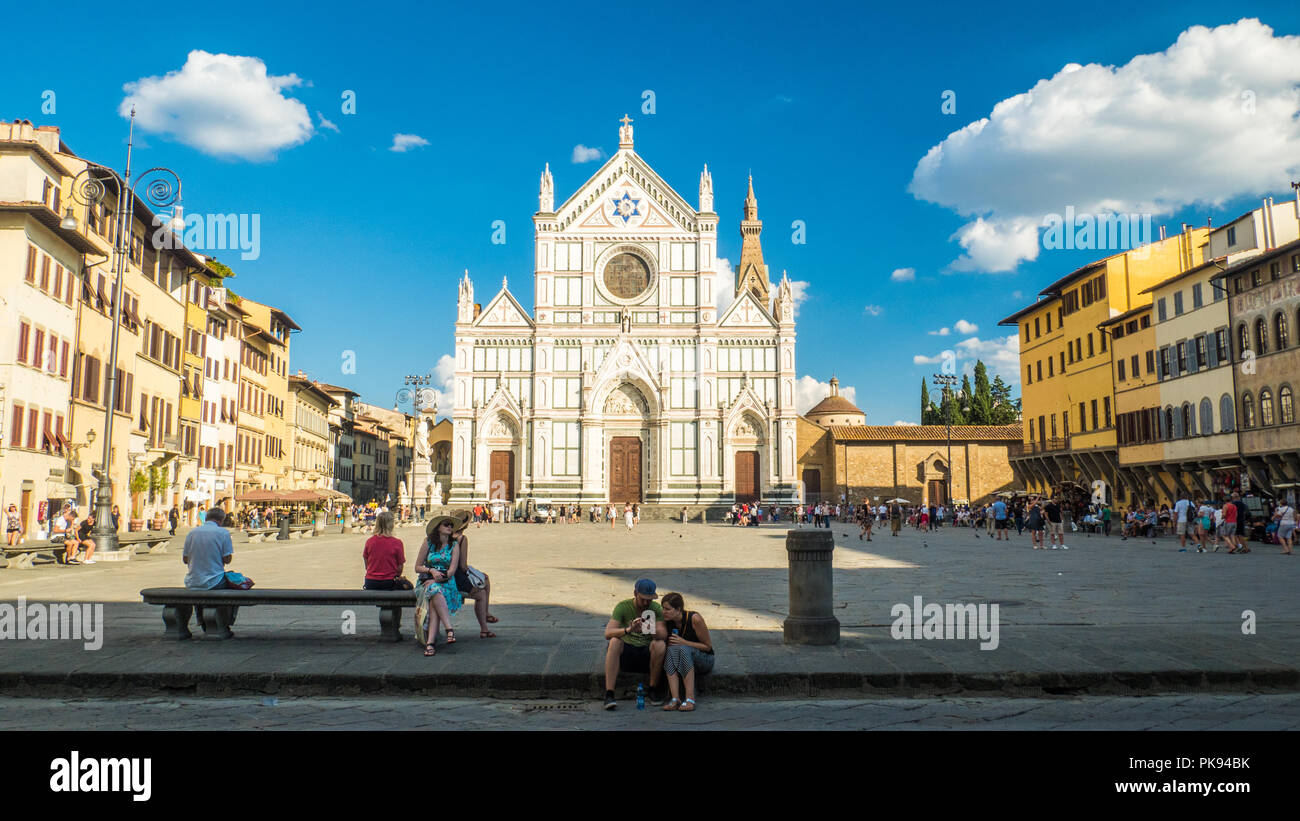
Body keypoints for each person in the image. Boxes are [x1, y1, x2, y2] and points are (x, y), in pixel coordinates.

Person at [602, 578, 667, 709]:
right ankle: (609, 693)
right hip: (628, 651)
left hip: (646, 653)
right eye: (642, 599)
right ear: (635, 593)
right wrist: (628, 630)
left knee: (660, 644)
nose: (645, 603)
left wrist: (651, 630)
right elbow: (608, 633)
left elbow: (663, 634)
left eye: (649, 599)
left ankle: (653, 688)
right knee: (614, 641)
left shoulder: (655, 609)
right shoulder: (623, 607)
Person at [414, 514, 464, 656]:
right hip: (426, 581)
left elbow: (452, 571)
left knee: (434, 594)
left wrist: (437, 579)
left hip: (446, 583)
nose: (449, 527)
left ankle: (430, 643)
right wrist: (431, 570)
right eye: (446, 525)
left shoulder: (454, 545)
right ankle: (449, 629)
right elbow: (417, 567)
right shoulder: (428, 542)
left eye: (450, 525)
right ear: (438, 528)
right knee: (433, 591)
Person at [447, 510, 500, 638]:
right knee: (481, 592)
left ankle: (486, 614)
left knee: (485, 578)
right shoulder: (461, 539)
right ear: (465, 525)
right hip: (456, 577)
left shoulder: (444, 536)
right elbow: (463, 566)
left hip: (446, 574)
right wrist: (473, 573)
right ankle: (484, 628)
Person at [659, 592, 714, 712]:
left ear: (678, 609)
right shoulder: (667, 620)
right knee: (671, 648)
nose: (664, 612)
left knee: (683, 649)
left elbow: (707, 647)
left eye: (668, 609)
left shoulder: (694, 619)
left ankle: (690, 699)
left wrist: (685, 642)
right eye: (663, 608)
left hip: (704, 659)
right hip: (681, 660)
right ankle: (675, 699)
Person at [362, 511, 407, 589]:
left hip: (371, 581)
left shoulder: (370, 541)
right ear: (391, 525)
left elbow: (367, 564)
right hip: (389, 581)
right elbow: (400, 567)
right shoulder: (397, 543)